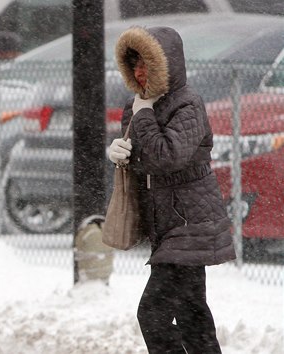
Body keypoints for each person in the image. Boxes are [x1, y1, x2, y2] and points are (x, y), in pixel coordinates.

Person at [109, 26, 236, 353]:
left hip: (190, 223)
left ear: (166, 65)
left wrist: (145, 115)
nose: (139, 72)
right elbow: (145, 159)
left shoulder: (186, 103)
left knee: (151, 313)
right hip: (166, 226)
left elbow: (168, 156)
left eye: (146, 63)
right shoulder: (138, 104)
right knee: (193, 313)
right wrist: (121, 154)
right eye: (134, 63)